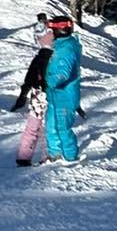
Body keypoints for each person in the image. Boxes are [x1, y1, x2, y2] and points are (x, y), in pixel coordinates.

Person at [43, 15, 82, 162]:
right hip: (55, 95)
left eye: (52, 30)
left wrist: (47, 83)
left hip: (64, 96)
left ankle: (70, 157)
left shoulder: (67, 48)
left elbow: (62, 74)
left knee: (63, 128)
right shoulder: (60, 44)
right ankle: (55, 155)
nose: (50, 33)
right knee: (51, 127)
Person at [11, 47, 52, 166]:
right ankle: (48, 156)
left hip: (37, 95)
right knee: (51, 127)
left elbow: (28, 79)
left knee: (32, 127)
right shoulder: (56, 59)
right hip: (52, 95)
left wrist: (22, 96)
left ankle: (23, 157)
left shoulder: (38, 59)